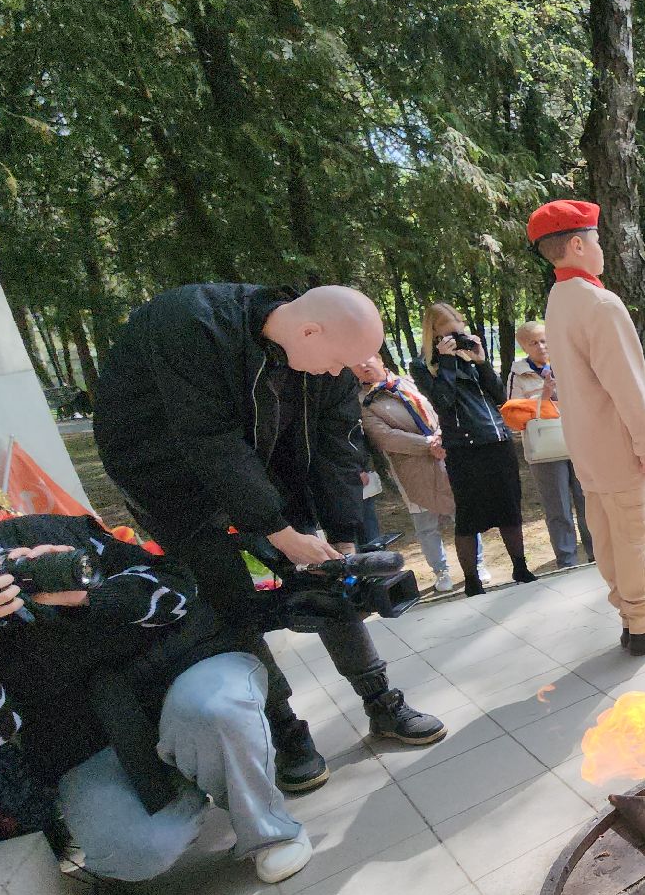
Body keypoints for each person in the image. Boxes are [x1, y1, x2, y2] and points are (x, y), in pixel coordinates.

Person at [92, 284, 444, 795]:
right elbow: (208, 441)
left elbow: (337, 448)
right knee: (232, 601)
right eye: (335, 362)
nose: (337, 374)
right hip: (170, 483)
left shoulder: (329, 362)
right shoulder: (190, 325)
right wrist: (276, 530)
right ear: (308, 331)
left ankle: (381, 702)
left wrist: (343, 540)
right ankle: (286, 732)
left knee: (329, 579)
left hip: (264, 467)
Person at [0, 515, 311, 883]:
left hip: (183, 668)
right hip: (88, 735)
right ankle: (194, 779)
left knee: (211, 710)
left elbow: (179, 587)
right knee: (133, 851)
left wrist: (90, 594)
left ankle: (268, 828)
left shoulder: (29, 535)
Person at [530, 199, 645, 655]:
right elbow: (626, 385)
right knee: (632, 534)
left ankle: (631, 615)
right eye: (597, 239)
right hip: (615, 440)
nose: (601, 247)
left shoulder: (558, 299)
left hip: (585, 443)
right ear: (576, 244)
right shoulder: (598, 302)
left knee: (606, 533)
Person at [410, 302, 537, 596]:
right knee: (468, 515)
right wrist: (447, 362)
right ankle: (471, 580)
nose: (457, 333)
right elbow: (443, 401)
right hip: (463, 447)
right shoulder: (422, 364)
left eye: (459, 327)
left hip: (497, 440)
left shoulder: (470, 357)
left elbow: (497, 394)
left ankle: (520, 566)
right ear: (434, 331)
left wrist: (480, 361)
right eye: (449, 329)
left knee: (509, 506)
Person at [353, 353, 479, 595]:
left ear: (380, 359)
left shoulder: (411, 382)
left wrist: (443, 435)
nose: (362, 365)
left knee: (462, 512)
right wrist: (427, 444)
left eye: (366, 359)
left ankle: (475, 564)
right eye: (356, 365)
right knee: (425, 523)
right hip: (410, 465)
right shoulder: (363, 402)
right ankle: (441, 570)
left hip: (447, 453)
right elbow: (384, 437)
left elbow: (442, 406)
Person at [507, 320, 595, 567]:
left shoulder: (566, 363)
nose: (541, 346)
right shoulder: (518, 374)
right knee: (557, 506)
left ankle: (597, 552)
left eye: (544, 340)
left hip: (577, 441)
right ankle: (566, 559)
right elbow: (513, 413)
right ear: (523, 345)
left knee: (587, 499)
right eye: (533, 342)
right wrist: (544, 397)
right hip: (545, 448)